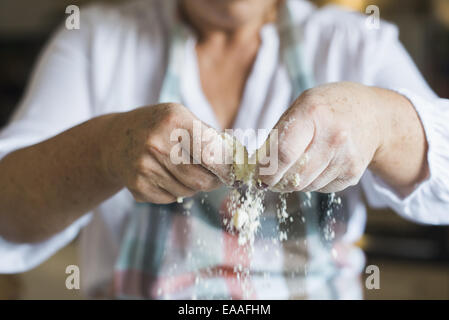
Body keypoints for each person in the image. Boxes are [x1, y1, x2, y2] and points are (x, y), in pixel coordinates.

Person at [0, 0, 448, 299]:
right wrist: (105, 149)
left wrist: (383, 122)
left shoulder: (355, 43)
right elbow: (8, 210)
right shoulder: (96, 39)